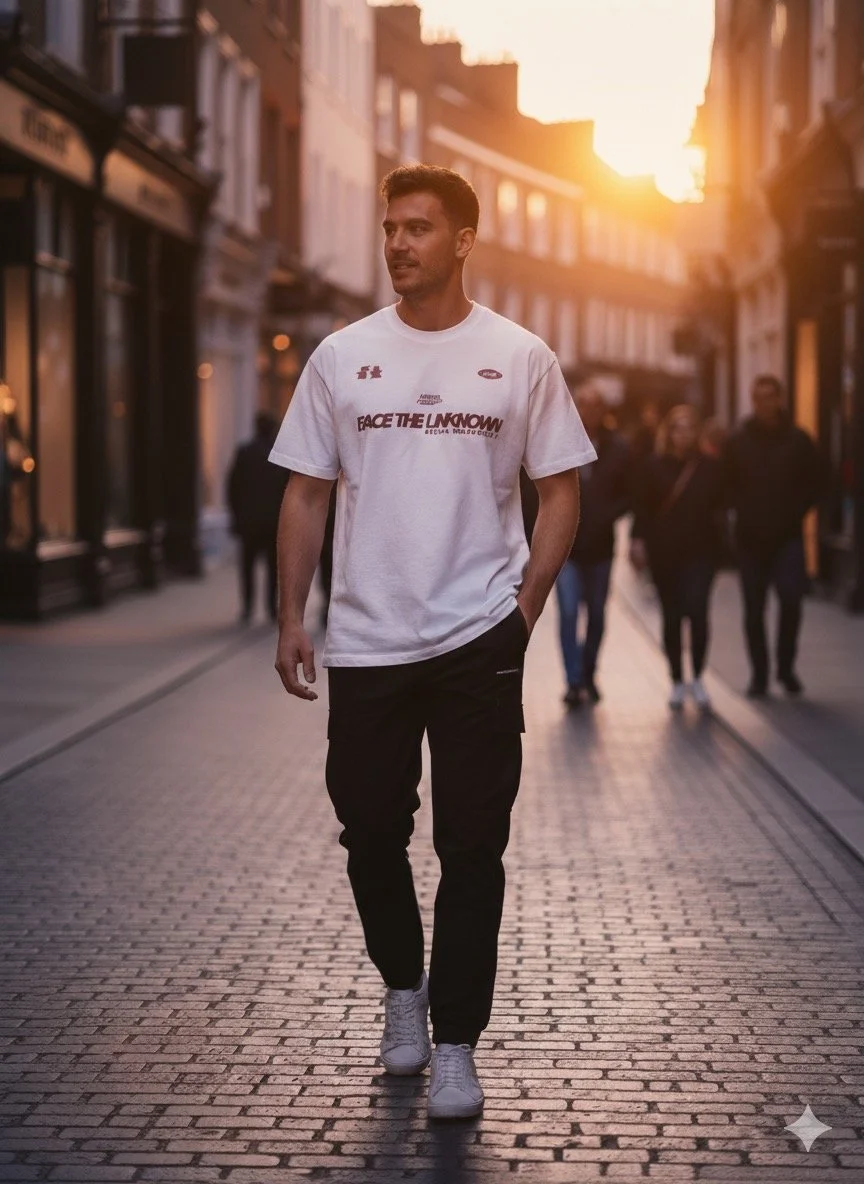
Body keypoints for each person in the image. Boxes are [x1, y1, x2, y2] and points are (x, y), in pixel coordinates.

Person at [268, 164, 595, 1121]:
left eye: (418, 228)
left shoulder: (519, 356)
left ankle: (455, 1040)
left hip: (475, 637)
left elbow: (561, 488)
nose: (398, 243)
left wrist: (523, 613)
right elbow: (306, 490)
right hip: (368, 638)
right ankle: (402, 988)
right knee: (370, 828)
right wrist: (293, 614)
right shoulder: (340, 354)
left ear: (461, 240)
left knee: (473, 845)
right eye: (390, 228)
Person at [722, 374, 823, 697]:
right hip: (751, 539)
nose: (764, 403)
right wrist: (742, 511)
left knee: (791, 601)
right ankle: (760, 674)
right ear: (753, 401)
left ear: (780, 399)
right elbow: (727, 486)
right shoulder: (738, 440)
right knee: (754, 609)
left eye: (770, 397)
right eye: (759, 397)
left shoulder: (798, 440)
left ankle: (786, 667)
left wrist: (796, 511)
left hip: (787, 537)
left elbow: (816, 481)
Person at [630, 404, 725, 711]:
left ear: (696, 433)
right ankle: (676, 680)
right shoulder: (653, 465)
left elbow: (721, 506)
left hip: (702, 551)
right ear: (668, 433)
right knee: (672, 615)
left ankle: (697, 676)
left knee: (697, 610)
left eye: (688, 428)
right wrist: (637, 541)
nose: (683, 434)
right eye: (677, 428)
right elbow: (642, 508)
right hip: (665, 552)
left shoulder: (709, 467)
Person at [554, 384, 630, 706]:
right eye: (581, 404)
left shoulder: (617, 448)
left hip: (600, 548)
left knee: (597, 615)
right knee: (569, 612)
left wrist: (606, 513)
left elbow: (630, 491)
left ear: (603, 411)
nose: (587, 411)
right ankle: (572, 681)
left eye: (594, 406)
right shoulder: (558, 441)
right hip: (566, 550)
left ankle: (589, 672)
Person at [226, 411, 289, 622]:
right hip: (273, 522)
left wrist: (235, 516)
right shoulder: (280, 453)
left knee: (247, 566)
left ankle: (247, 607)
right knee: (273, 567)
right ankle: (271, 608)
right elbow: (288, 491)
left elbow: (232, 487)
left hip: (249, 521)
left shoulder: (245, 452)